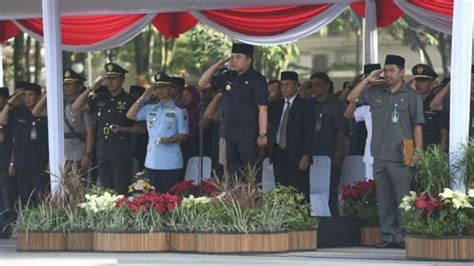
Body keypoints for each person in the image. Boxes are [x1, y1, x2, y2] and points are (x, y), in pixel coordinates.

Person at [347, 55, 424, 249]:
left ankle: (405, 236)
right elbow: (351, 98)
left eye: (391, 70)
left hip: (404, 150)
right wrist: (367, 80)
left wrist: (418, 153)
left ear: (401, 72)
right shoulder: (375, 92)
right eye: (386, 70)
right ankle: (389, 236)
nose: (387, 74)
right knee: (385, 198)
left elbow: (417, 126)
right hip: (379, 152)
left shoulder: (411, 95)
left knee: (403, 196)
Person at [198, 43, 268, 179]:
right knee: (232, 175)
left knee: (251, 176)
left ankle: (253, 201)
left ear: (248, 60)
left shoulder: (257, 79)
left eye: (238, 57)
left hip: (248, 135)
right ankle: (235, 201)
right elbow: (202, 83)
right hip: (229, 133)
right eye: (232, 57)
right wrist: (217, 65)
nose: (234, 61)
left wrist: (262, 134)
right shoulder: (228, 76)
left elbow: (263, 109)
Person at [72, 63, 136, 194]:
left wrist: (124, 129)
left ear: (122, 80)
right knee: (107, 192)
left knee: (121, 191)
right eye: (108, 78)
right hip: (103, 151)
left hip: (121, 152)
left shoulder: (129, 100)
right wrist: (90, 88)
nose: (110, 82)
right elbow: (76, 106)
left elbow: (141, 127)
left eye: (114, 78)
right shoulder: (101, 98)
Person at [126, 72, 188, 192]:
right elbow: (130, 115)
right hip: (152, 160)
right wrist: (142, 98)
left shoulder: (179, 111)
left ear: (171, 89)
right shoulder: (150, 108)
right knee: (152, 198)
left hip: (171, 161)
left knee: (170, 197)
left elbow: (184, 135)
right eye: (158, 87)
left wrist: (170, 140)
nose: (160, 90)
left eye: (164, 87)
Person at [32, 69, 95, 172]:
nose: (66, 87)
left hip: (77, 152)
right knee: (59, 185)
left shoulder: (85, 104)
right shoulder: (59, 103)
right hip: (60, 151)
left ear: (79, 87)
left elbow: (90, 131)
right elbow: (36, 112)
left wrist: (88, 154)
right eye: (64, 84)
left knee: (76, 186)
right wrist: (49, 93)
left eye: (70, 84)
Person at [268, 71, 314, 203]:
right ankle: (284, 218)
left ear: (296, 86)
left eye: (288, 84)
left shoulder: (306, 105)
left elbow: (309, 132)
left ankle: (303, 219)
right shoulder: (276, 105)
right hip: (278, 152)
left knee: (299, 189)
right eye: (282, 85)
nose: (284, 87)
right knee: (281, 189)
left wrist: (306, 155)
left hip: (297, 153)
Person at [0, 82, 49, 205]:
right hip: (22, 163)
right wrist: (11, 101)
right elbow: (1, 120)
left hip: (39, 163)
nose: (27, 98)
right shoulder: (18, 112)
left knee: (41, 198)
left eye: (30, 95)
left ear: (39, 97)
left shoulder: (46, 113)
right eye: (25, 95)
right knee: (25, 199)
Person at [309, 72, 346, 215]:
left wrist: (339, 152)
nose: (314, 88)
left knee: (330, 188)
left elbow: (341, 131)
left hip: (330, 152)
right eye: (311, 85)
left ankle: (333, 219)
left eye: (317, 84)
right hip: (313, 152)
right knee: (312, 188)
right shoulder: (310, 104)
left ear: (327, 85)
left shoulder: (336, 105)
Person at [344, 64, 383, 180]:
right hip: (370, 155)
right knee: (370, 191)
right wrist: (363, 87)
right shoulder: (367, 108)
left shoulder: (398, 102)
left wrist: (409, 157)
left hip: (393, 157)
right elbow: (348, 113)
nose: (374, 88)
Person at [411, 64, 444, 148]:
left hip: (432, 149)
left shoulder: (436, 102)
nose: (419, 84)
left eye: (423, 81)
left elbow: (443, 130)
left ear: (431, 82)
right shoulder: (411, 101)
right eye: (417, 80)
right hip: (411, 147)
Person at [181, 85, 201, 171]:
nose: (184, 97)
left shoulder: (199, 111)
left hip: (195, 144)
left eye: (187, 94)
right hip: (182, 145)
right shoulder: (180, 111)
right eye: (183, 95)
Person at [129, 85, 147, 171]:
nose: (134, 100)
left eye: (136, 97)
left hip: (141, 145)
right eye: (131, 97)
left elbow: (143, 128)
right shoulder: (127, 108)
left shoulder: (145, 108)